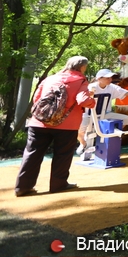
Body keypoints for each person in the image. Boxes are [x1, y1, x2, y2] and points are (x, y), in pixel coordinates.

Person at [15, 56, 96, 196]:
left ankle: (23, 187)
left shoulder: (51, 78)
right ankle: (58, 185)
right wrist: (92, 101)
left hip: (39, 123)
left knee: (32, 153)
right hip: (66, 126)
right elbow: (82, 100)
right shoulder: (80, 80)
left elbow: (36, 98)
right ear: (82, 67)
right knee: (62, 155)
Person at [77, 68, 128, 159]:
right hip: (88, 114)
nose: (110, 80)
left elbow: (127, 93)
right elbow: (81, 98)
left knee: (126, 119)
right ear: (99, 78)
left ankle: (112, 134)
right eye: (107, 78)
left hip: (105, 114)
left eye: (110, 78)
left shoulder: (112, 87)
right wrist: (89, 94)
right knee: (80, 131)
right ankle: (83, 144)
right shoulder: (91, 87)